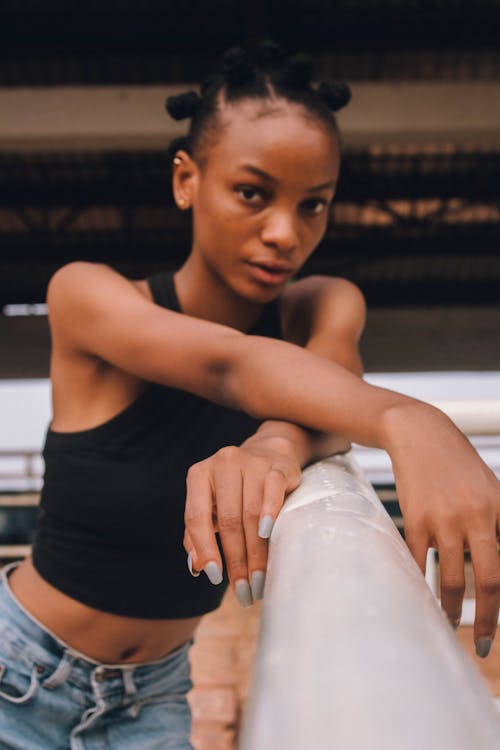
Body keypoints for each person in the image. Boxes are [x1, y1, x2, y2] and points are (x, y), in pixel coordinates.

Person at [0, 41, 498, 749]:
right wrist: (411, 418)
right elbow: (230, 368)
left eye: (315, 204)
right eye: (253, 193)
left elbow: (326, 395)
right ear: (186, 180)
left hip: (157, 701)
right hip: (16, 677)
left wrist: (272, 442)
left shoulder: (322, 305)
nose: (284, 234)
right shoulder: (87, 296)